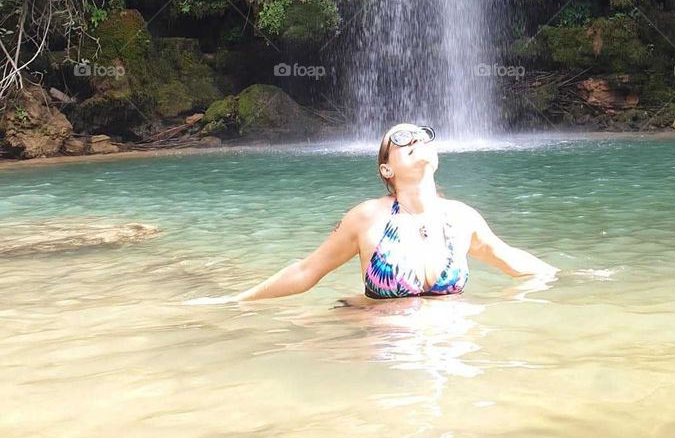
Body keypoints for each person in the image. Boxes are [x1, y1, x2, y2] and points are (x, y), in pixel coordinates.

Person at [191, 124, 557, 304]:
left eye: (423, 136)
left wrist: (571, 276)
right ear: (386, 169)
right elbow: (307, 270)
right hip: (380, 357)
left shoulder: (463, 218)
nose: (415, 141)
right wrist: (236, 301)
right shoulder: (367, 218)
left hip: (449, 357)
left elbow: (510, 259)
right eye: (401, 138)